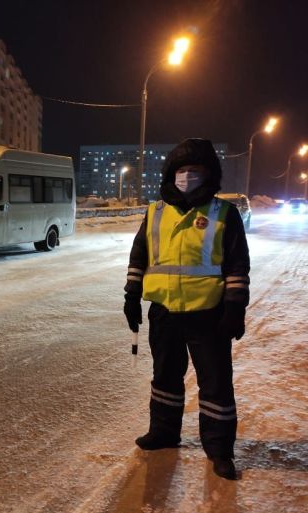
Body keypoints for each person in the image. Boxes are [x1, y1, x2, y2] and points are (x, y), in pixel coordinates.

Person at [123, 138, 250, 481]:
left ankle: (220, 450)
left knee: (216, 384)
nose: (188, 176)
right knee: (165, 377)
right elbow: (139, 257)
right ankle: (164, 432)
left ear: (209, 175)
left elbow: (237, 265)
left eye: (196, 170)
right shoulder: (155, 212)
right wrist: (131, 296)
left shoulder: (223, 213)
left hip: (208, 313)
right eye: (181, 170)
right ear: (170, 174)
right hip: (164, 311)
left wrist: (235, 308)